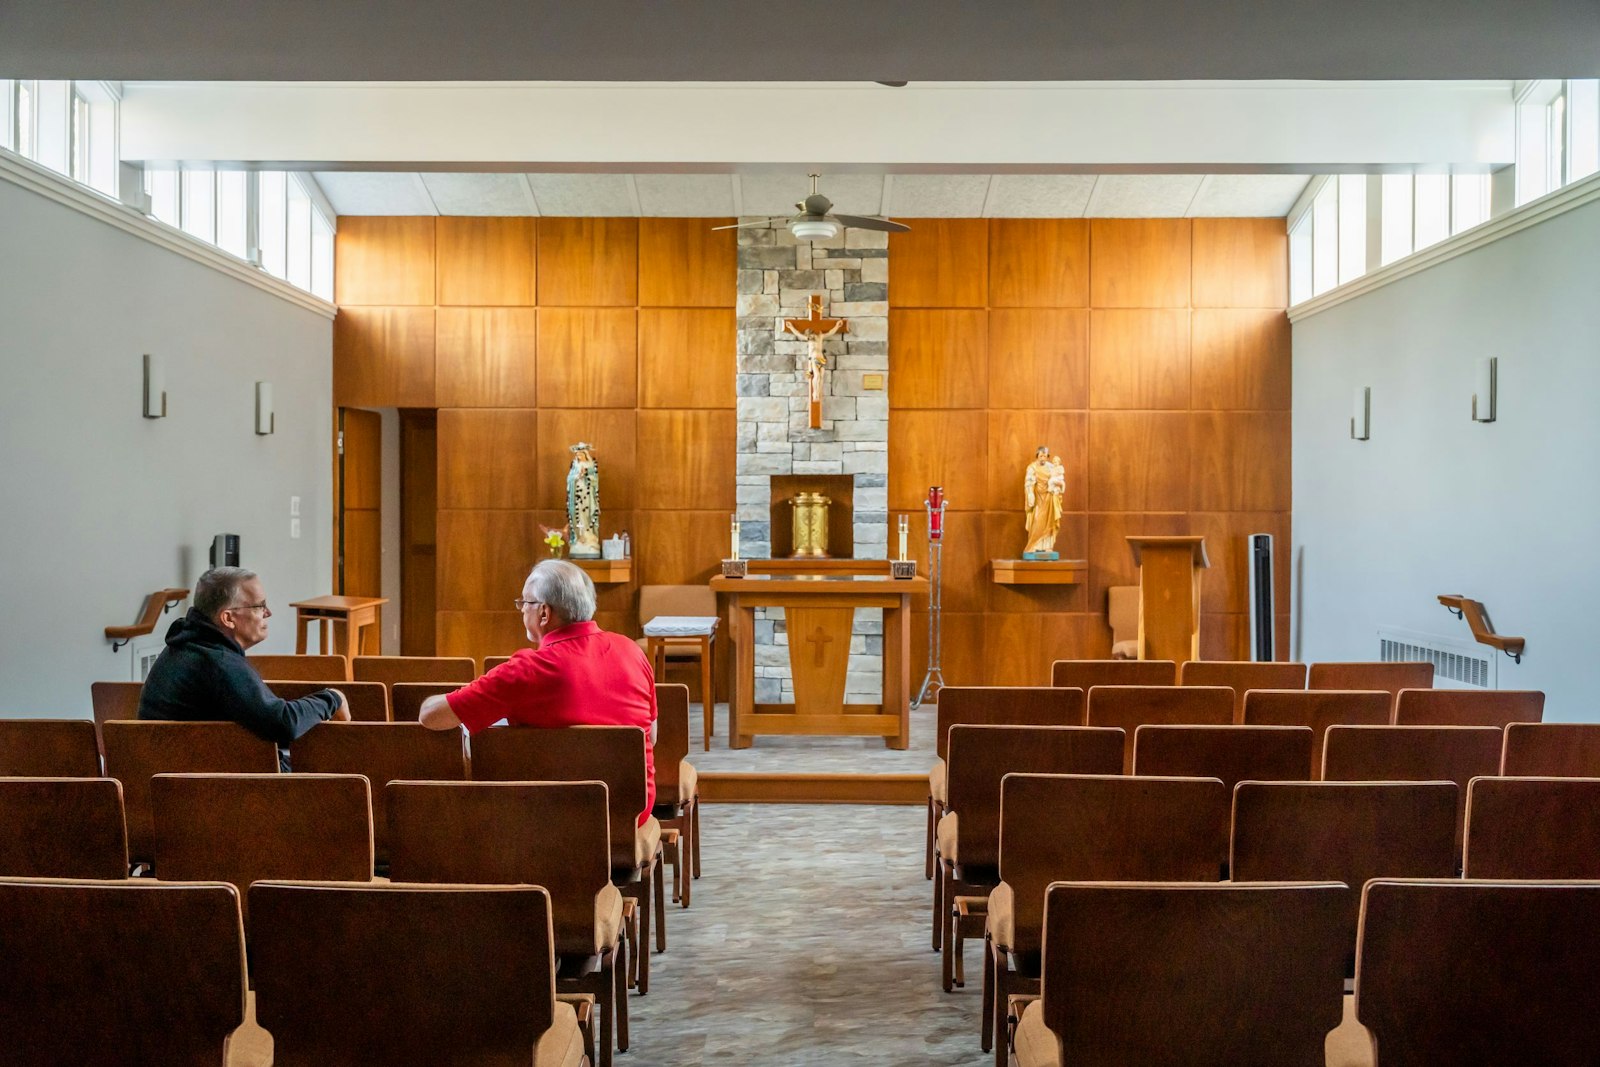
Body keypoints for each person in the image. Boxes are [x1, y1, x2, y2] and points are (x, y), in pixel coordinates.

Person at [419, 559, 658, 823]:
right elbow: (652, 735)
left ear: (544, 612)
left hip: (546, 819)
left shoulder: (526, 670)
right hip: (630, 813)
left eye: (524, 603)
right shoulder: (632, 651)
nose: (521, 610)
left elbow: (431, 716)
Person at [139, 567, 349, 769]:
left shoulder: (185, 646)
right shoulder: (218, 663)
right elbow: (283, 724)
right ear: (228, 618)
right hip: (207, 791)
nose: (268, 613)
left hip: (174, 781)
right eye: (259, 606)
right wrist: (332, 698)